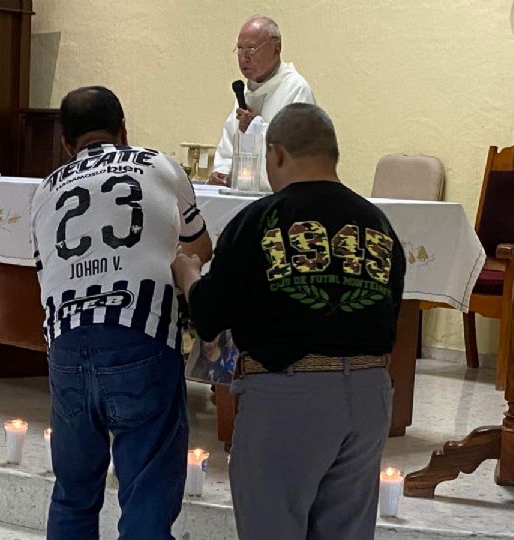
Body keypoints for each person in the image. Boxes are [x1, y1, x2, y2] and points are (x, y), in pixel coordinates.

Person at [173, 103, 407, 539]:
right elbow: (389, 309)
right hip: (370, 394)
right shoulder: (379, 224)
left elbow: (209, 315)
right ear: (332, 154)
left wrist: (189, 276)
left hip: (290, 397)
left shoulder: (259, 220)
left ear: (276, 154)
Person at [30, 86, 212, 539]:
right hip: (139, 333)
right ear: (124, 129)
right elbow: (200, 247)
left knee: (73, 493)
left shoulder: (45, 190)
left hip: (67, 344)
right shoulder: (159, 165)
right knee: (147, 491)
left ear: (66, 145)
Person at [209, 15, 316, 186]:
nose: (244, 58)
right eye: (240, 49)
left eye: (251, 49)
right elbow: (228, 148)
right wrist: (222, 173)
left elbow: (295, 157)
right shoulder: (244, 93)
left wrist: (256, 129)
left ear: (276, 47)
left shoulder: (296, 90)